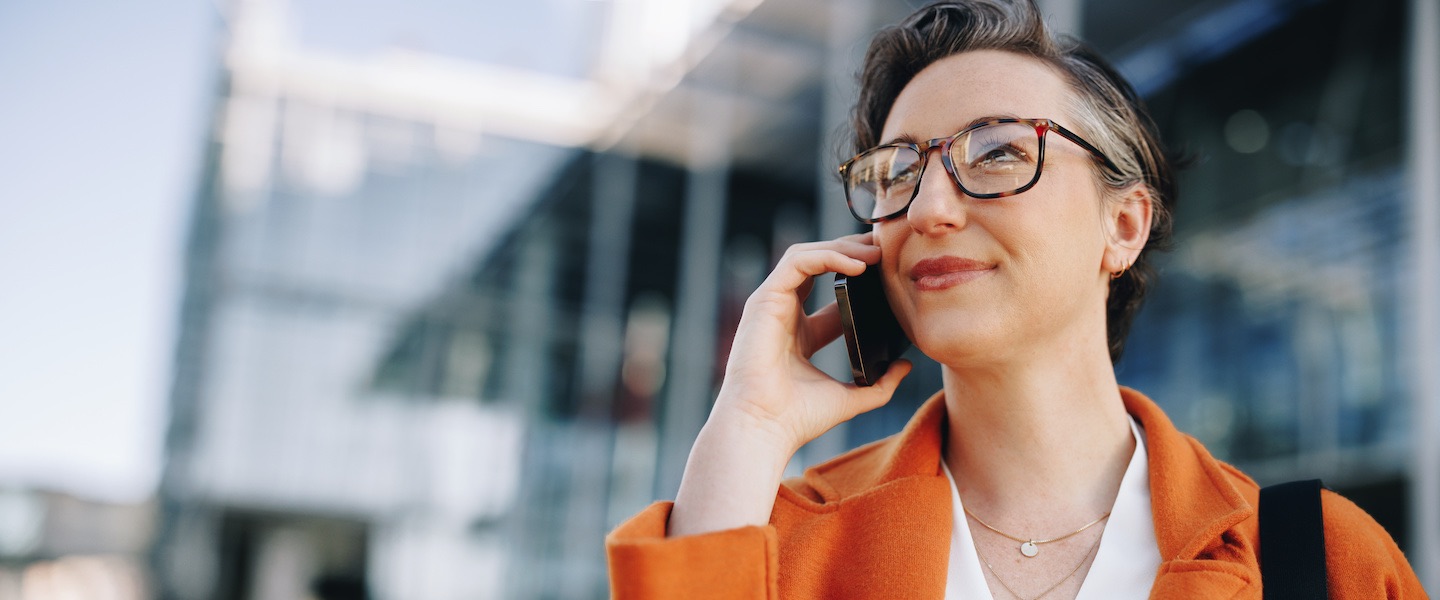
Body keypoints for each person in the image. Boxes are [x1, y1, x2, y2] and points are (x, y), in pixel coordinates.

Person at [606, 0, 1427, 598]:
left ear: (1125, 225)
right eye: (895, 172)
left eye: (997, 152)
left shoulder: (1319, 561)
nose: (928, 210)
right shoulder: (775, 544)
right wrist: (747, 427)